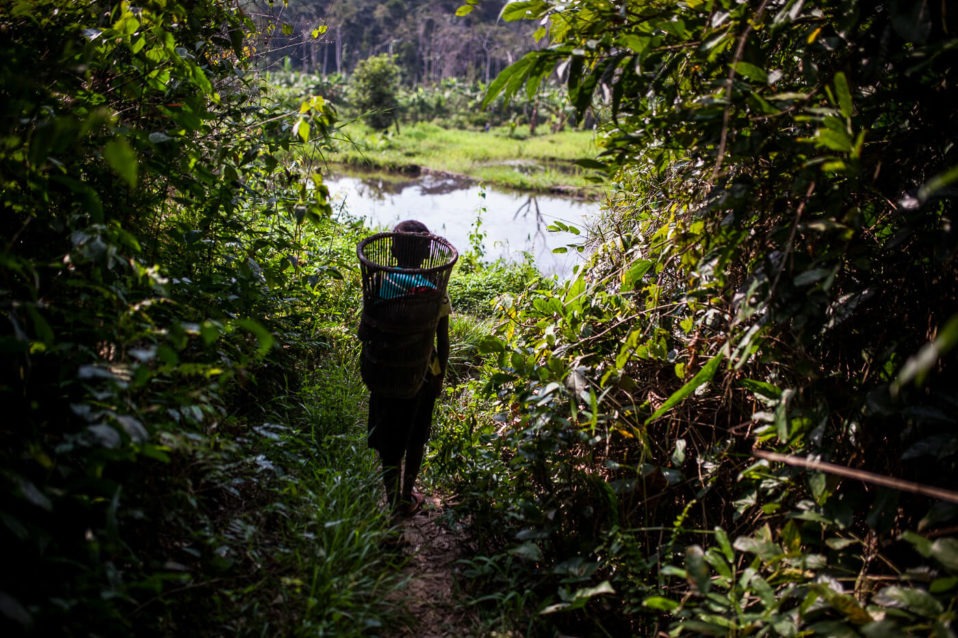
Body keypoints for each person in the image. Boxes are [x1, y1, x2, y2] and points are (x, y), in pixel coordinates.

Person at [365, 220, 451, 516]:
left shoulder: (379, 283)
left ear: (392, 250)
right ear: (428, 256)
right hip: (423, 376)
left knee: (389, 439)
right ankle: (406, 495)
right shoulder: (435, 290)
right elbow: (443, 339)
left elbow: (366, 332)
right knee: (416, 437)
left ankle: (391, 499)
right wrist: (441, 376)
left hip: (386, 372)